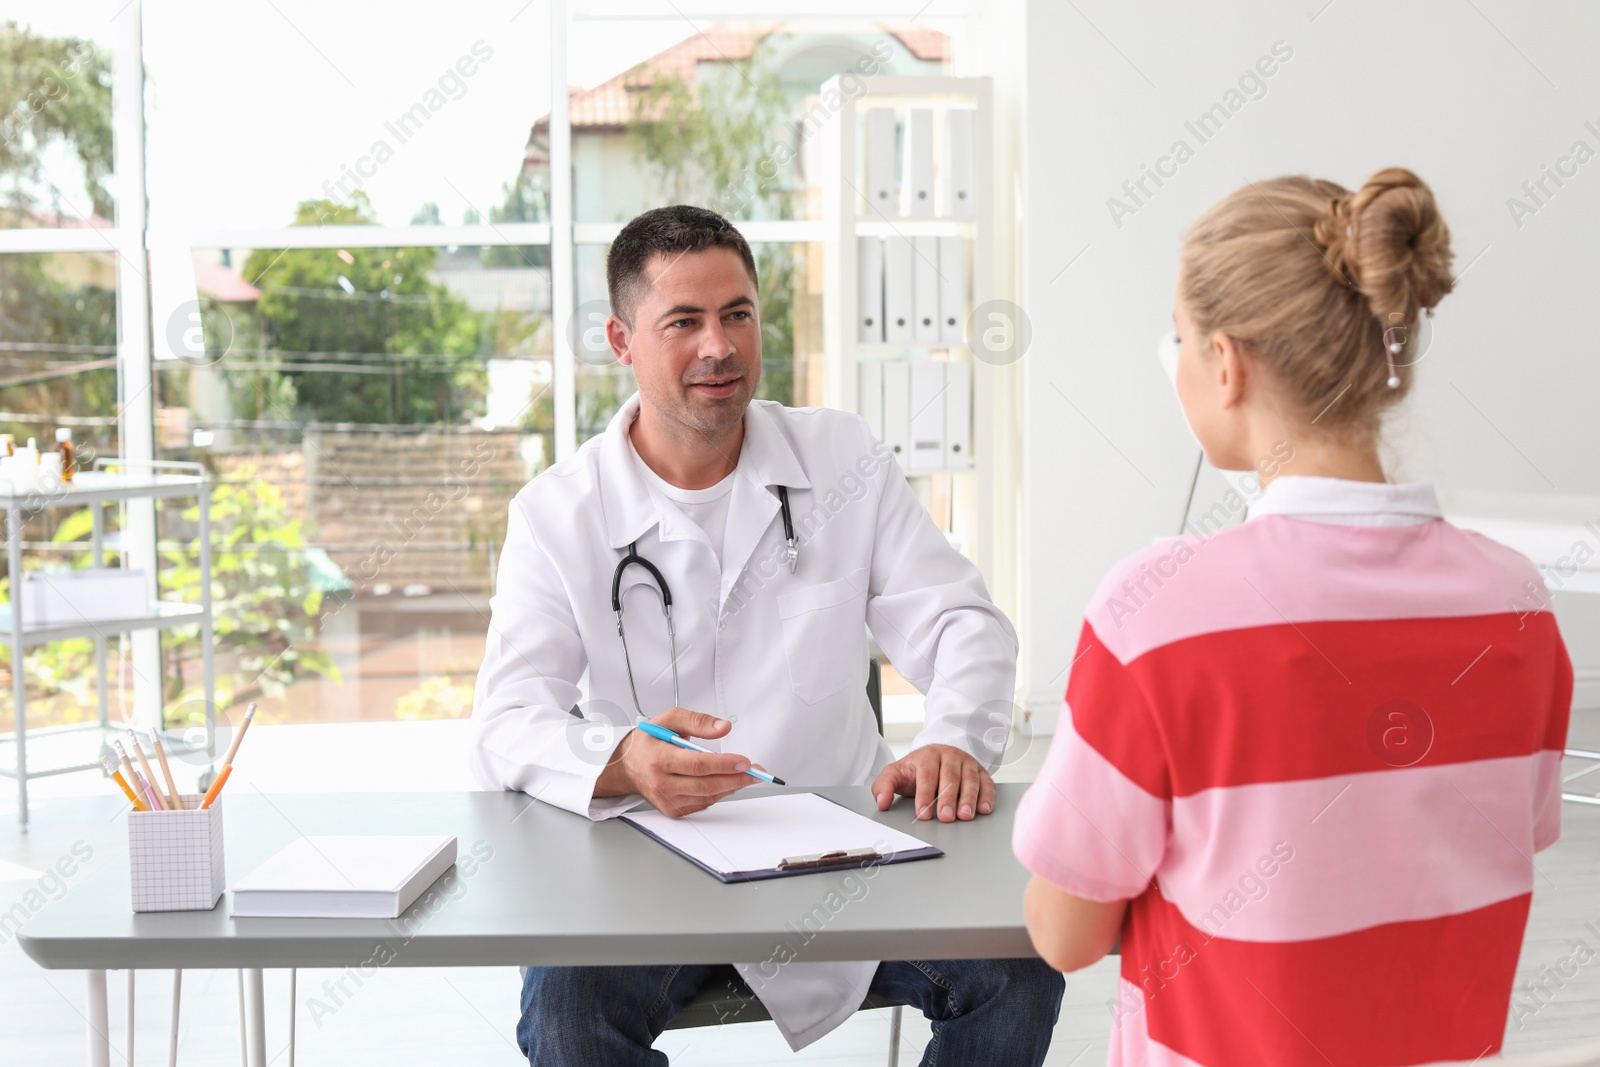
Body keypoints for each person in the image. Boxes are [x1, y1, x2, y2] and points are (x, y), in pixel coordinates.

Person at [471, 205, 1062, 1065]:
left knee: (1022, 966)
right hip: (648, 861)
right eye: (684, 321)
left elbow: (960, 621)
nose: (719, 345)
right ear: (621, 339)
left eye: (737, 314)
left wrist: (950, 737)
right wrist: (620, 759)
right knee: (566, 1016)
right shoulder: (558, 514)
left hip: (843, 850)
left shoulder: (838, 458)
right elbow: (505, 720)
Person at [1013, 167, 1572, 1065]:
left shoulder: (1155, 611)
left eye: (1183, 338)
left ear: (1225, 364)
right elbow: (1496, 837)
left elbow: (1066, 932)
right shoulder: (1517, 604)